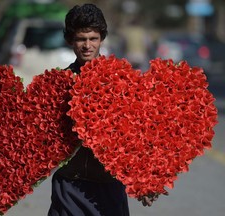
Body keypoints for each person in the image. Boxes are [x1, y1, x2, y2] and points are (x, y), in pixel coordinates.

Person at [48, 4, 159, 216]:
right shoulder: (59, 84)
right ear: (71, 40)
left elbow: (136, 135)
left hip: (108, 188)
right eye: (81, 39)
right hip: (69, 186)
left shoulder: (121, 81)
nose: (87, 45)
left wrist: (146, 181)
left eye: (93, 39)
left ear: (101, 39)